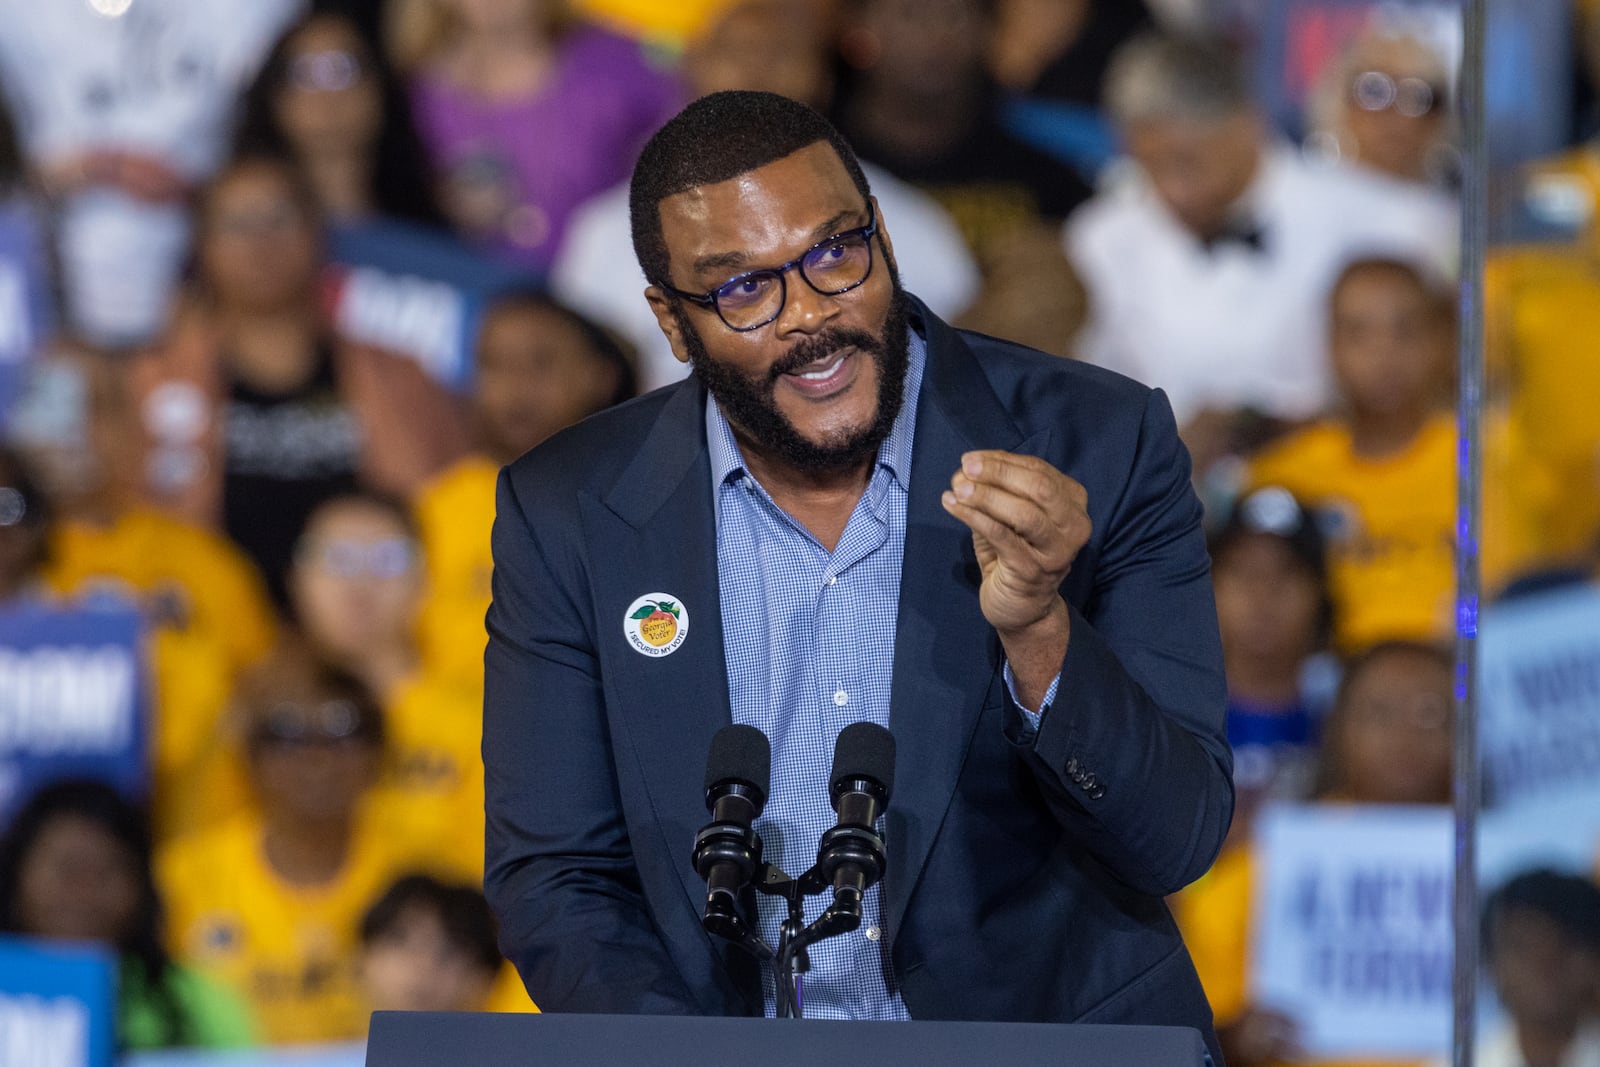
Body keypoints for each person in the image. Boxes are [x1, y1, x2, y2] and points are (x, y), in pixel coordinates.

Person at [484, 90, 1231, 1052]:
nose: (810, 318)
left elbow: (1175, 837)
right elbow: (558, 878)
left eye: (835, 252)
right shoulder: (569, 509)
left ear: (883, 236)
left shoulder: (1098, 440)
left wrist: (1040, 627)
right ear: (672, 323)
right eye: (745, 289)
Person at [550, 0, 980, 393]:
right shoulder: (604, 234)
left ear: (824, 80)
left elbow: (960, 371)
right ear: (690, 70)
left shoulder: (911, 224)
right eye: (733, 52)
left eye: (781, 53)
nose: (755, 69)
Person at [1064, 33, 1457, 449]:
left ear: (1247, 125)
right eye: (1150, 166)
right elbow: (1088, 399)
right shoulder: (1098, 239)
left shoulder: (1384, 220)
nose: (1173, 190)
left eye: (1187, 162)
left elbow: (1443, 380)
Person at [128, 153, 469, 607]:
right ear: (201, 247)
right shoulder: (149, 381)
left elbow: (451, 514)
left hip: (378, 634)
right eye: (236, 224)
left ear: (318, 233)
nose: (260, 243)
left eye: (279, 219)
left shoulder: (401, 375)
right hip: (214, 638)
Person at [1245, 256, 1548, 654]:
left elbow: (1515, 596)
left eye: (1405, 331)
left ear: (1441, 342)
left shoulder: (1491, 458)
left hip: (1467, 671)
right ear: (1330, 348)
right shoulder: (1283, 476)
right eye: (1358, 333)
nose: (1383, 353)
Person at [1172, 640, 1453, 1067]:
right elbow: (1201, 1015)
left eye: (1431, 714)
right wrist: (1239, 1035)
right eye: (1381, 713)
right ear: (1339, 729)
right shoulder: (1282, 853)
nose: (1405, 735)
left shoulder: (1498, 856)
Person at [157, 647, 447, 1044]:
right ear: (248, 758)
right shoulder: (184, 878)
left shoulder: (426, 872)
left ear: (380, 754)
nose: (318, 757)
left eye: (344, 731)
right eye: (288, 733)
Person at [413, 291, 635, 689]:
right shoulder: (433, 508)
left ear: (600, 375)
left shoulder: (637, 503)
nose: (516, 386)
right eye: (494, 364)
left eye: (541, 362)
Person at [386, 0, 682, 277]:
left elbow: (695, 152)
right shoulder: (418, 91)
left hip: (616, 289)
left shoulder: (616, 59)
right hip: (493, 298)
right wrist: (447, 208)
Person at [287, 491, 485, 875]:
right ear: (296, 580)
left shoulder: (479, 724)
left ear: (426, 581)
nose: (359, 587)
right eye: (337, 559)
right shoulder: (265, 715)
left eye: (387, 561)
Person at [0, 780, 256, 1050]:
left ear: (142, 886)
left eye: (105, 872)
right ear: (15, 876)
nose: (85, 891)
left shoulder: (200, 1003)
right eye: (67, 868)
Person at [1209, 485, 1334, 841]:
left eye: (1287, 573)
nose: (1263, 595)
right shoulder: (1169, 710)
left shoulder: (1349, 711)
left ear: (1320, 594)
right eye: (1242, 572)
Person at [1475, 868, 1600, 1067]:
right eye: (1524, 946)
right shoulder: (1464, 1061)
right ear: (1490, 962)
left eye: (1565, 945)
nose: (1545, 966)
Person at [358, 874, 505, 1013]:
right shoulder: (338, 1036)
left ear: (485, 976)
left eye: (449, 952)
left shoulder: (510, 1039)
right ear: (361, 958)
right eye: (399, 940)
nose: (424, 965)